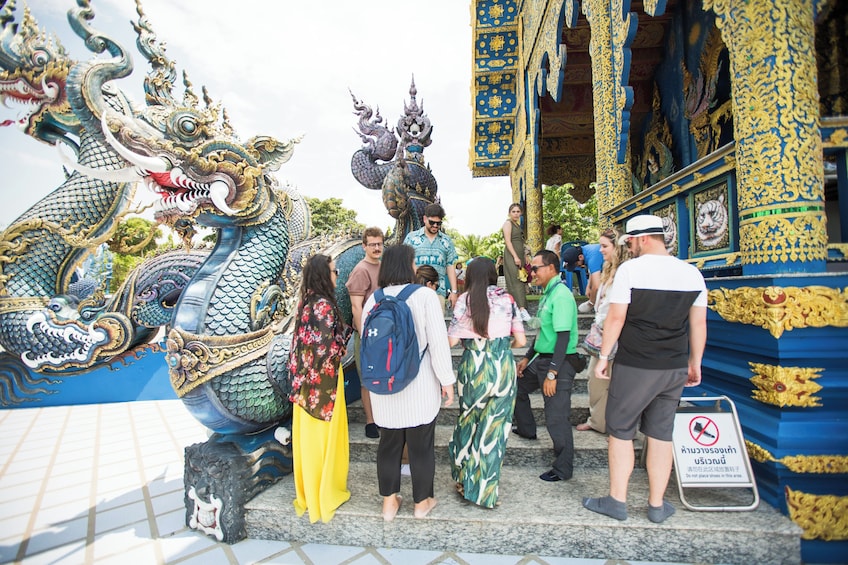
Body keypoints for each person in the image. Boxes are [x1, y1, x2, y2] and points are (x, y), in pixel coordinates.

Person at [582, 215, 707, 524]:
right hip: (674, 365)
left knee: (621, 431)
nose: (631, 247)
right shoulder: (691, 273)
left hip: (636, 364)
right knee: (661, 434)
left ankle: (617, 500)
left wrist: (603, 357)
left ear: (642, 239)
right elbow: (699, 324)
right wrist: (695, 363)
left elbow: (616, 319)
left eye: (632, 242)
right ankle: (656, 504)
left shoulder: (631, 271)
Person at [362, 244, 456, 521]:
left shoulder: (373, 300)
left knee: (388, 444)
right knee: (420, 446)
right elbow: (438, 343)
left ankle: (389, 503)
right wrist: (447, 380)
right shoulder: (425, 296)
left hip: (384, 386)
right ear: (407, 265)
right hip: (420, 385)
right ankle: (421, 503)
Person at [447, 257, 526, 508]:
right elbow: (521, 342)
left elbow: (450, 342)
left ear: (469, 276)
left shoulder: (464, 300)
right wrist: (502, 347)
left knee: (468, 422)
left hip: (473, 368)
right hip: (502, 366)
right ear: (493, 275)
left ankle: (462, 478)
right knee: (495, 430)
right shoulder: (508, 299)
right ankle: (484, 491)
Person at [287, 254, 352, 523]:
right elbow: (328, 348)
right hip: (323, 386)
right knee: (324, 440)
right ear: (324, 276)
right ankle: (324, 493)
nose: (337, 275)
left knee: (309, 440)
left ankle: (309, 493)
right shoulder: (324, 305)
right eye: (335, 271)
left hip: (304, 385)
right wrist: (344, 339)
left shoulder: (306, 303)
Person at [512, 249, 579, 482]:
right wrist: (526, 358)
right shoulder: (548, 294)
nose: (532, 273)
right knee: (518, 386)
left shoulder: (561, 295)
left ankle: (563, 468)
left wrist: (553, 372)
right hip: (541, 357)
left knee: (556, 417)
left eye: (536, 268)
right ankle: (527, 429)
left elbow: (562, 338)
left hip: (558, 361)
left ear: (551, 268)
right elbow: (544, 333)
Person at [576, 228, 629, 434]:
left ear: (618, 248)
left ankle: (619, 429)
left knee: (615, 382)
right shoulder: (608, 269)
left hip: (616, 332)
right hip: (603, 330)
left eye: (605, 246)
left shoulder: (626, 273)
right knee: (596, 379)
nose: (601, 250)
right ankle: (598, 420)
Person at [345, 227, 384, 439]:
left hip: (384, 332)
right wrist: (365, 334)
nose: (377, 248)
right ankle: (370, 421)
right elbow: (356, 306)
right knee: (367, 378)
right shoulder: (361, 270)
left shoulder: (383, 267)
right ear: (364, 246)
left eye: (379, 243)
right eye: (372, 244)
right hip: (367, 333)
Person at [404, 203, 459, 312]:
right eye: (432, 222)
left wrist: (454, 291)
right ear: (424, 219)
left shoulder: (446, 241)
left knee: (437, 326)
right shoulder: (411, 238)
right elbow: (405, 263)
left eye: (438, 223)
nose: (435, 226)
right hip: (415, 291)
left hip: (438, 292)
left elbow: (450, 266)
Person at [501, 203, 531, 321]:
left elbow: (521, 242)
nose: (516, 214)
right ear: (509, 213)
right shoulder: (508, 224)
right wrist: (515, 257)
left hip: (520, 255)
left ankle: (518, 310)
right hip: (511, 255)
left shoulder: (517, 225)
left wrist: (524, 255)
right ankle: (521, 309)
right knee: (515, 281)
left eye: (518, 211)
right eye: (513, 211)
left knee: (522, 280)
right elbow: (508, 241)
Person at [562, 242, 604, 310]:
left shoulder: (593, 258)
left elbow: (596, 286)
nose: (577, 266)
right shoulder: (587, 250)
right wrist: (588, 286)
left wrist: (591, 303)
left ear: (580, 257)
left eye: (576, 264)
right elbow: (593, 271)